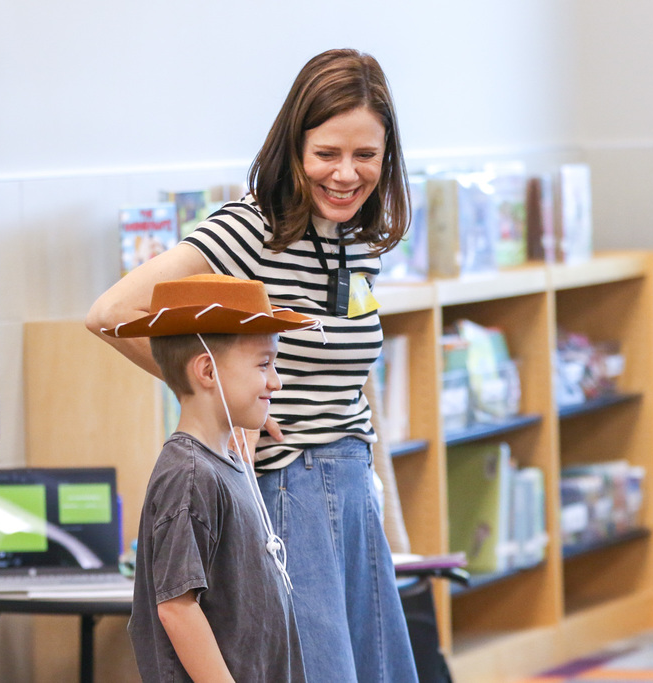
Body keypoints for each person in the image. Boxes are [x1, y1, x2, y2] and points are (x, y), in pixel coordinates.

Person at [87, 48, 418, 681]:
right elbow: (110, 313)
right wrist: (215, 400)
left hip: (352, 485)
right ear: (294, 148)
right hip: (289, 487)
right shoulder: (248, 230)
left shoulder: (358, 238)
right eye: (327, 154)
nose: (346, 175)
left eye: (365, 156)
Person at [113, 273, 318, 682]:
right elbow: (177, 607)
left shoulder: (227, 464)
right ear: (207, 370)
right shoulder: (188, 475)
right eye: (264, 364)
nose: (275, 381)